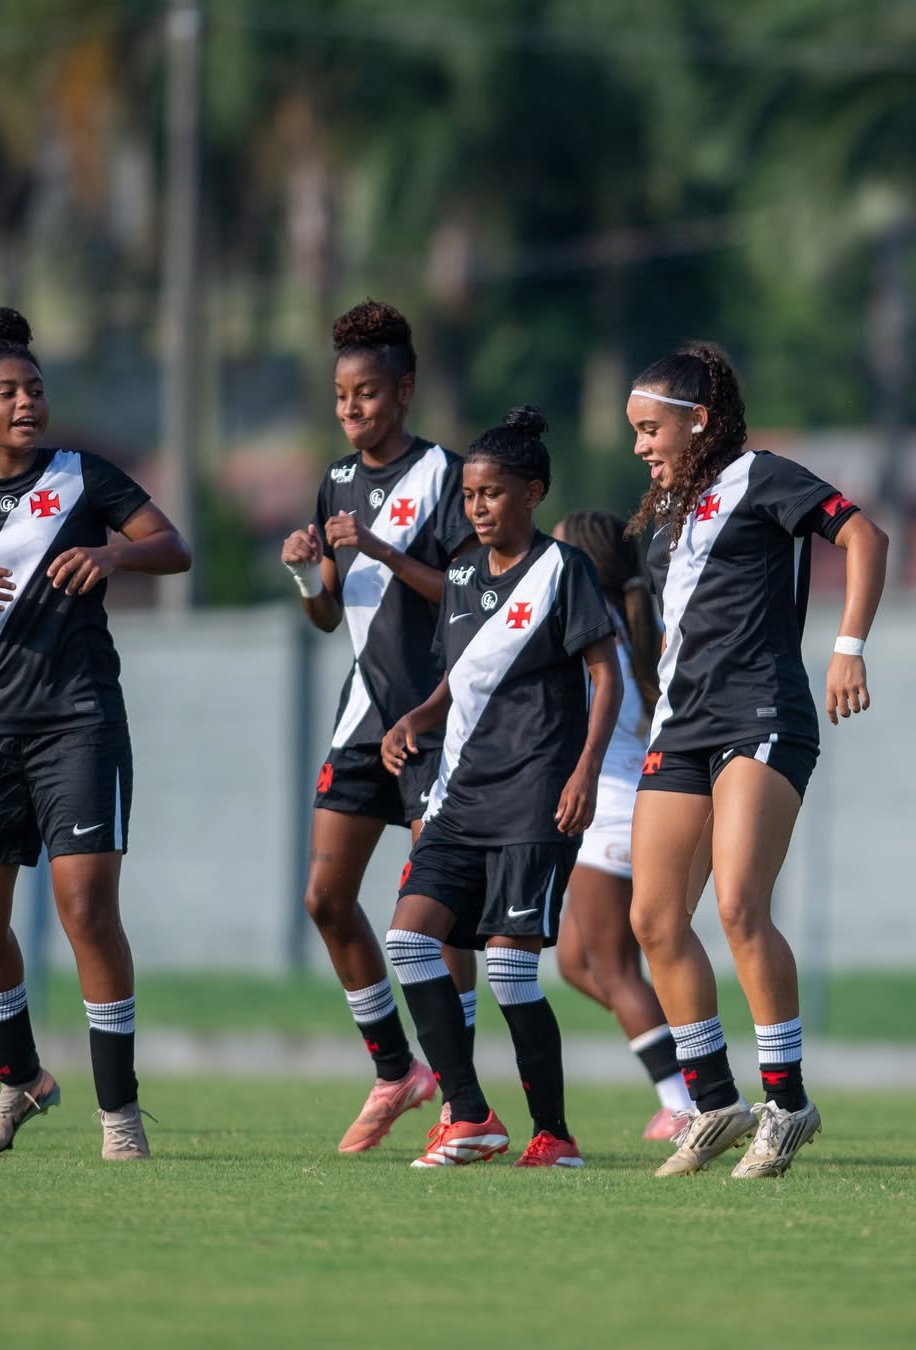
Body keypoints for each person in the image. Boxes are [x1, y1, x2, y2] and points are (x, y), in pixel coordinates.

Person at [0, 306, 191, 1160]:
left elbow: (172, 546)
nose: (26, 401)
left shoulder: (84, 477)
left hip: (80, 722)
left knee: (87, 911)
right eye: (7, 391)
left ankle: (119, 1114)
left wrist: (113, 556)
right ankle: (20, 1081)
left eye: (35, 388)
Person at [625, 341, 888, 1178]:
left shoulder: (763, 477)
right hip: (681, 728)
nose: (640, 446)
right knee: (653, 920)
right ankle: (713, 1102)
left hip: (761, 714)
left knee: (739, 904)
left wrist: (848, 648)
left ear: (698, 421)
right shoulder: (670, 518)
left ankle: (788, 1103)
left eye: (650, 429)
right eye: (634, 432)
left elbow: (866, 536)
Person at [381, 407, 622, 1168]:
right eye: (469, 495)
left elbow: (606, 674)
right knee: (409, 941)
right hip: (460, 798)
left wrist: (586, 769)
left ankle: (554, 1135)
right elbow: (459, 675)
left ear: (532, 493)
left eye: (491, 493)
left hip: (536, 798)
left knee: (511, 971)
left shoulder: (563, 571)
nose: (477, 507)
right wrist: (416, 716)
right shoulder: (458, 576)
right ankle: (470, 1115)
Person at [281, 300, 479, 1154]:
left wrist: (386, 551)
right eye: (339, 396)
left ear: (404, 389)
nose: (350, 408)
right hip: (363, 718)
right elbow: (329, 613)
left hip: (438, 720)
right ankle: (397, 1070)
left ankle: (462, 1099)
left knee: (441, 919)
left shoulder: (449, 476)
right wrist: (305, 575)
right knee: (325, 898)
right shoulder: (334, 481)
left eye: (364, 393)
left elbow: (476, 596)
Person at [552, 510, 694, 1140]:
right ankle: (694, 1068)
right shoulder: (645, 623)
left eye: (559, 550)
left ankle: (686, 1100)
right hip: (639, 805)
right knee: (575, 962)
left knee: (616, 969)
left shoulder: (588, 626)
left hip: (607, 810)